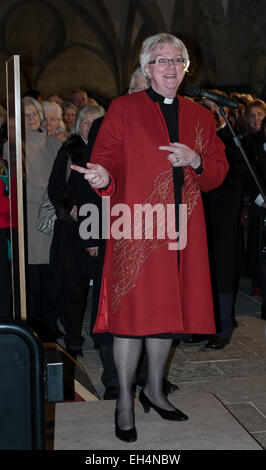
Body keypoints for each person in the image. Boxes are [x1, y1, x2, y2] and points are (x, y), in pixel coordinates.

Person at [72, 33, 228, 443]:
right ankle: (125, 398)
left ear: (185, 67)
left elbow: (217, 171)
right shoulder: (123, 109)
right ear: (146, 69)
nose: (170, 67)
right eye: (161, 60)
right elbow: (105, 160)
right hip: (139, 227)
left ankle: (155, 391)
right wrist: (103, 177)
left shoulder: (200, 116)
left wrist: (196, 160)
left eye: (177, 59)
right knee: (132, 317)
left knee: (166, 313)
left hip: (183, 229)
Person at [48, 105, 105, 356]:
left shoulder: (109, 148)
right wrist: (70, 209)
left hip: (104, 226)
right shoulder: (69, 150)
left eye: (96, 122)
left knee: (103, 285)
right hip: (74, 230)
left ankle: (101, 334)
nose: (90, 127)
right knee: (74, 287)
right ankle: (73, 339)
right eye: (85, 122)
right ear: (77, 125)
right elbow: (56, 188)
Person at [198, 92, 247, 349]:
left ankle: (222, 327)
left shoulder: (231, 141)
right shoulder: (196, 139)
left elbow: (235, 181)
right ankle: (200, 325)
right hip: (197, 216)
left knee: (222, 273)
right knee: (199, 273)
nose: (210, 115)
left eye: (214, 111)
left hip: (222, 218)